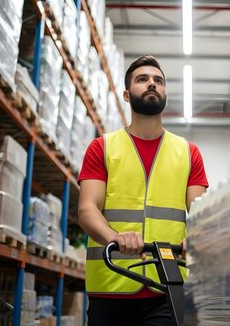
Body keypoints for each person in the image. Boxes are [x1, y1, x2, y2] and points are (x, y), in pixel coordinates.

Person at [78, 55, 208, 325]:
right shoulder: (102, 147)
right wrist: (114, 238)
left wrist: (195, 238)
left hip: (167, 286)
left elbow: (200, 212)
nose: (152, 84)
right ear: (127, 95)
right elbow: (87, 209)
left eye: (158, 81)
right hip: (112, 284)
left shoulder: (188, 152)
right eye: (142, 79)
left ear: (165, 94)